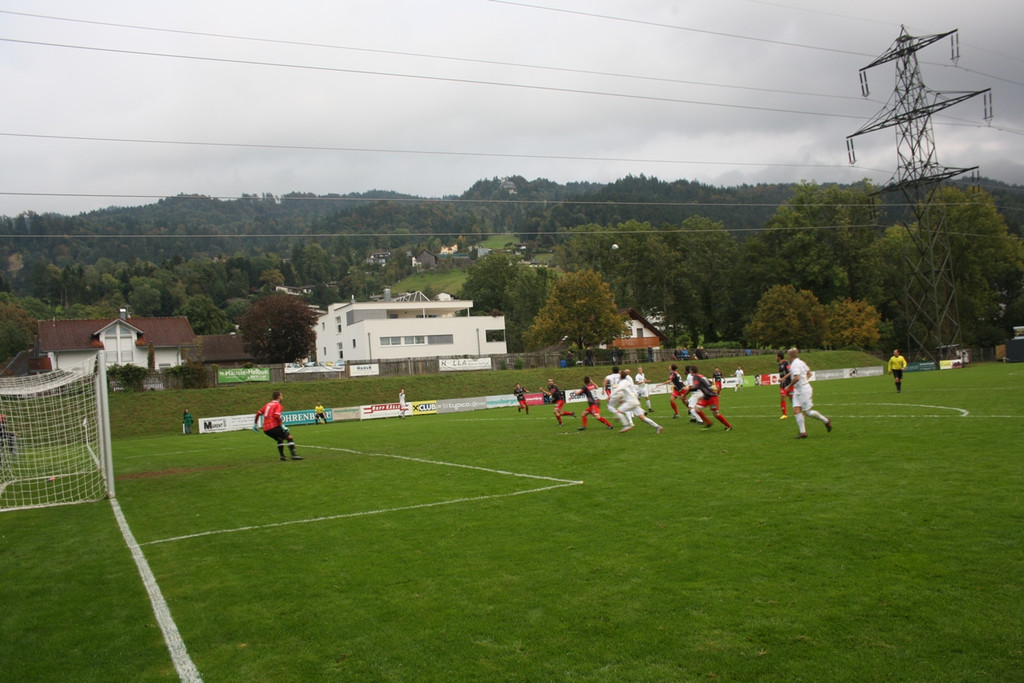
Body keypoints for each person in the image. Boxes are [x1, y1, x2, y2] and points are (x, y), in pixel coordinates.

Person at [786, 348, 832, 439]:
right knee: (796, 410)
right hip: (798, 390)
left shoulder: (795, 364)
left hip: (803, 390)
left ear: (790, 356)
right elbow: (809, 373)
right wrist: (804, 380)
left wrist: (789, 386)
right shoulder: (801, 362)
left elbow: (797, 377)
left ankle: (826, 421)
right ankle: (803, 433)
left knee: (807, 412)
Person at [611, 369, 663, 434]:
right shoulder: (625, 382)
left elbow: (618, 389)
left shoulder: (622, 382)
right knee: (643, 418)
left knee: (618, 412)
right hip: (634, 401)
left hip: (630, 402)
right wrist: (621, 399)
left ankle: (626, 426)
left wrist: (611, 395)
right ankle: (658, 427)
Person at [254, 390, 301, 461]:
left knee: (280, 439)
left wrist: (255, 424)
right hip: (273, 426)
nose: (282, 397)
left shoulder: (267, 405)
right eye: (281, 396)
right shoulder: (278, 405)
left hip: (266, 429)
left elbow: (258, 413)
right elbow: (276, 416)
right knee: (289, 437)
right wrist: (282, 426)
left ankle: (282, 456)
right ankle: (293, 455)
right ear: (279, 397)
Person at [687, 366, 733, 431]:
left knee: (716, 414)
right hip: (706, 397)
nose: (689, 372)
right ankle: (708, 422)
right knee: (697, 409)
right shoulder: (700, 376)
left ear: (692, 371)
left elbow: (696, 387)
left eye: (690, 370)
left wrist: (687, 390)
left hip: (712, 397)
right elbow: (709, 383)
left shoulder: (696, 377)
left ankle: (728, 426)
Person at [776, 351, 794, 419]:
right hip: (783, 385)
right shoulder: (779, 365)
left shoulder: (786, 363)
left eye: (776, 356)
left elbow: (790, 372)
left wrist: (782, 378)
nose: (776, 358)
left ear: (779, 357)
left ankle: (799, 411)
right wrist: (780, 379)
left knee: (792, 399)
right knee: (783, 397)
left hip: (789, 384)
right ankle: (784, 415)